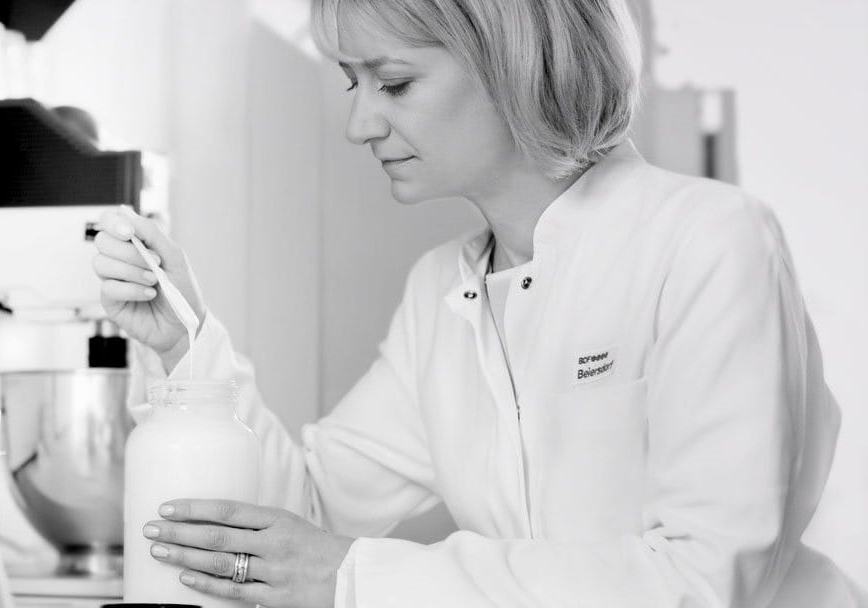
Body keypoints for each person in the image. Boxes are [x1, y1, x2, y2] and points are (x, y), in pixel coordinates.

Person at [91, 0, 861, 606]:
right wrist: (189, 345)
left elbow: (704, 583)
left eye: (393, 82)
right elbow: (314, 517)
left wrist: (360, 583)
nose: (361, 123)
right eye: (351, 83)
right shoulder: (442, 291)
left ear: (513, 64)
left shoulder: (710, 242)